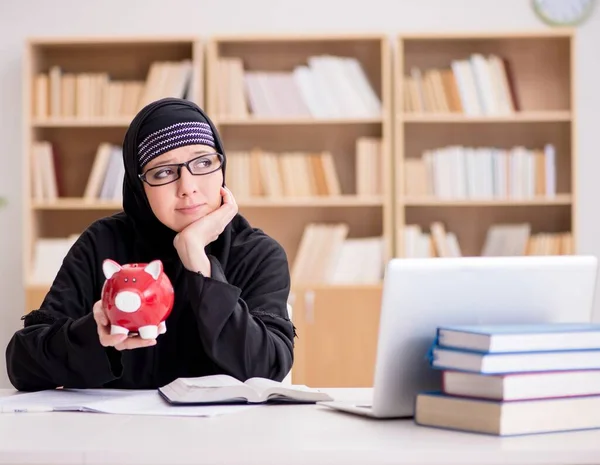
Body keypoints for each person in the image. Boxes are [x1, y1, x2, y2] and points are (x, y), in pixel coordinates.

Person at [6, 97, 295, 391]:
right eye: (163, 172)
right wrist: (95, 336)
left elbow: (266, 370)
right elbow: (22, 364)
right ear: (138, 186)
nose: (188, 187)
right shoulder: (102, 243)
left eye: (204, 162)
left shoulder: (257, 254)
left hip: (218, 435)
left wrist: (198, 261)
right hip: (112, 434)